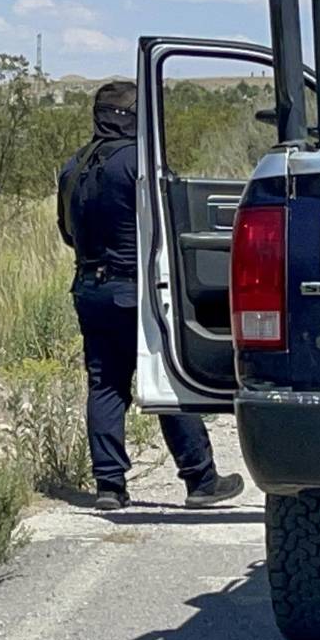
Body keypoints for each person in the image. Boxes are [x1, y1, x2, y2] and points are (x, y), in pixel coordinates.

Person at [58, 81, 244, 511]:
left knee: (105, 384)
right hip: (132, 287)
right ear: (134, 116)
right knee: (166, 376)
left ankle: (109, 486)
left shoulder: (74, 167)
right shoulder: (139, 166)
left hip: (89, 287)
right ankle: (200, 480)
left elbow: (67, 232)